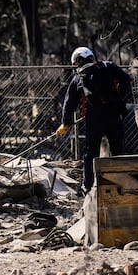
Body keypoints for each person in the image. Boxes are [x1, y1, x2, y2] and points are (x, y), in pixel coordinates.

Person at [55, 46, 132, 193]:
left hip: (94, 116)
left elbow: (69, 101)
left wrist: (66, 122)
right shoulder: (108, 66)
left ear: (77, 61)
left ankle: (88, 187)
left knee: (91, 153)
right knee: (118, 150)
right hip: (113, 114)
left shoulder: (78, 78)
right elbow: (126, 79)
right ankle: (121, 186)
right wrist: (118, 98)